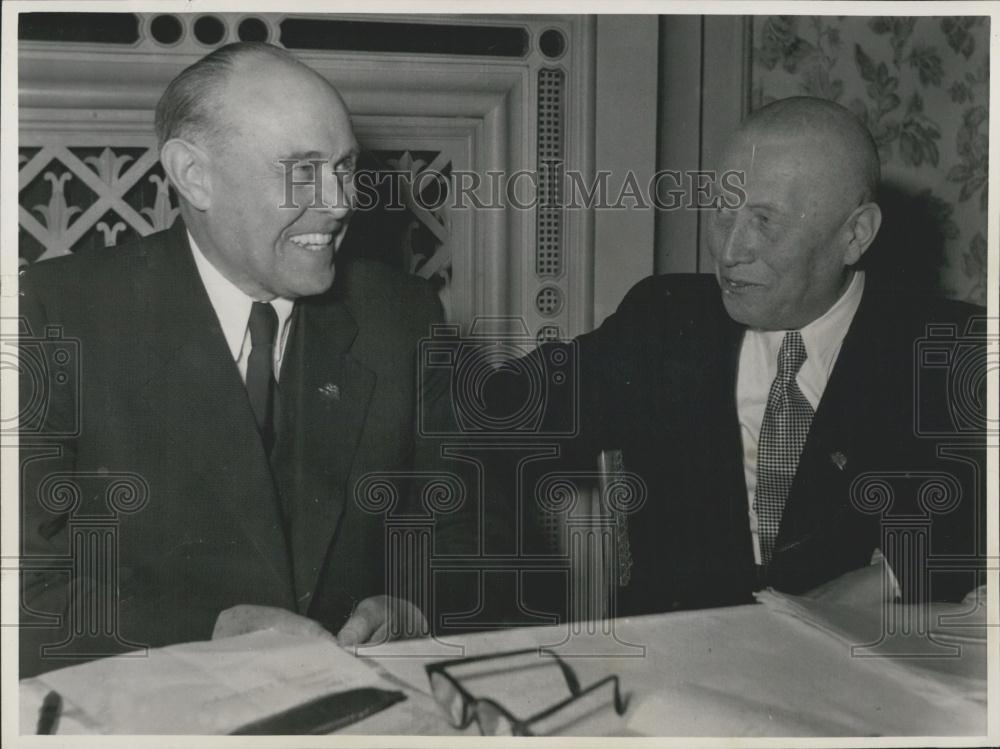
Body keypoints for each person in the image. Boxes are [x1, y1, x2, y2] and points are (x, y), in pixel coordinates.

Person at [18, 42, 475, 677]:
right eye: (301, 171)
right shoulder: (52, 315)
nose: (340, 202)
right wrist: (204, 632)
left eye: (344, 168)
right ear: (193, 174)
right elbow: (21, 594)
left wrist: (417, 607)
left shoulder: (402, 315)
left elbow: (474, 541)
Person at [496, 96, 985, 617]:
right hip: (685, 667)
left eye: (765, 222)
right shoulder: (662, 322)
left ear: (854, 234)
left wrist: (889, 577)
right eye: (723, 212)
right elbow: (492, 419)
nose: (729, 251)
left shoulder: (950, 350)